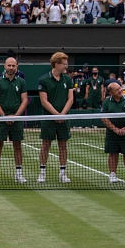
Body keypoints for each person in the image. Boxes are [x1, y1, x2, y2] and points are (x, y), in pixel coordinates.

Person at [0, 57, 28, 184]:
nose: (11, 68)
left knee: (17, 146)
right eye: (9, 65)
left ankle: (19, 173)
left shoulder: (21, 82)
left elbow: (24, 100)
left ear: (17, 66)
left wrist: (15, 116)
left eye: (13, 65)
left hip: (16, 119)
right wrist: (3, 116)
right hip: (1, 119)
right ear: (4, 66)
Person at [37, 52, 74, 184]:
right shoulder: (44, 79)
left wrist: (62, 114)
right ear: (57, 64)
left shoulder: (68, 79)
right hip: (49, 119)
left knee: (63, 145)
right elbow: (44, 101)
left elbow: (70, 99)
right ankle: (42, 172)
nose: (66, 66)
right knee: (45, 145)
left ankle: (63, 173)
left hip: (63, 118)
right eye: (64, 64)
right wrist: (56, 115)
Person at [101, 82, 125, 184]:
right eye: (117, 90)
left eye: (120, 88)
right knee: (113, 154)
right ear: (111, 93)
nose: (120, 90)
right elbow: (104, 118)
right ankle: (112, 174)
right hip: (112, 134)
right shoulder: (107, 102)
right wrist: (115, 129)